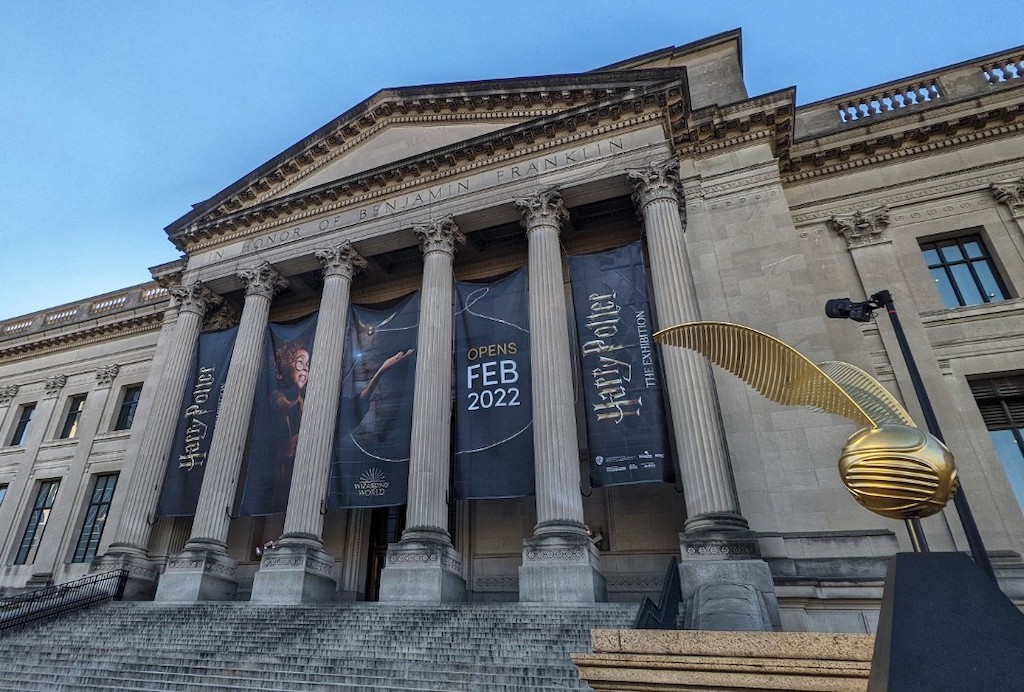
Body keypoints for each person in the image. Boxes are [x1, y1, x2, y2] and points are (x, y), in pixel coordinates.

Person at [272, 341, 310, 460]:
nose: (305, 368)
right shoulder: (271, 403)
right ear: (282, 370)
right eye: (300, 362)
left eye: (308, 364)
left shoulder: (304, 405)